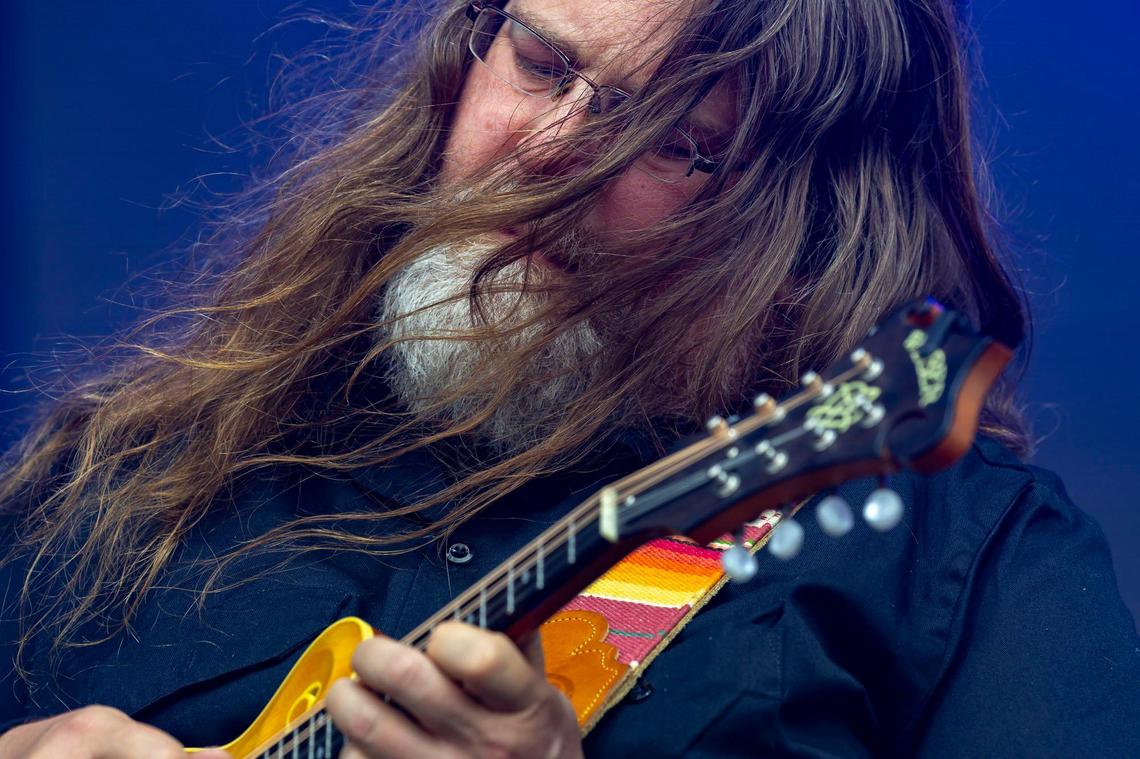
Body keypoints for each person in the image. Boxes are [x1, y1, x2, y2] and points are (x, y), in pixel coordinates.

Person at [1, 0, 1138, 756]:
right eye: (544, 64)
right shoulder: (130, 471)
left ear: (818, 229)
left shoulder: (970, 559)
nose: (553, 150)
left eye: (676, 141)